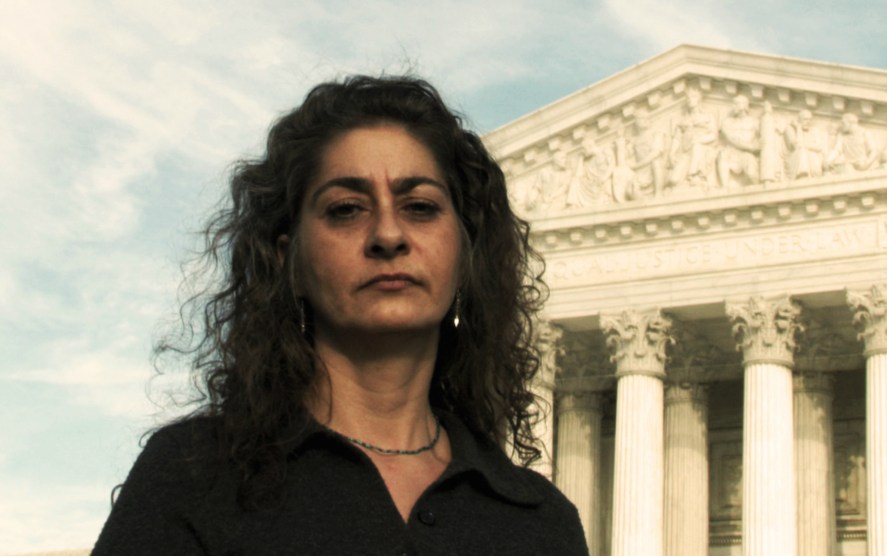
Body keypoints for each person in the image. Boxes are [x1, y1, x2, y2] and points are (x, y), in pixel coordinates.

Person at [92, 75, 589, 555]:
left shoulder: (542, 521)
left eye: (420, 206)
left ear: (464, 257)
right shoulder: (194, 475)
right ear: (290, 262)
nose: (388, 235)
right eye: (347, 209)